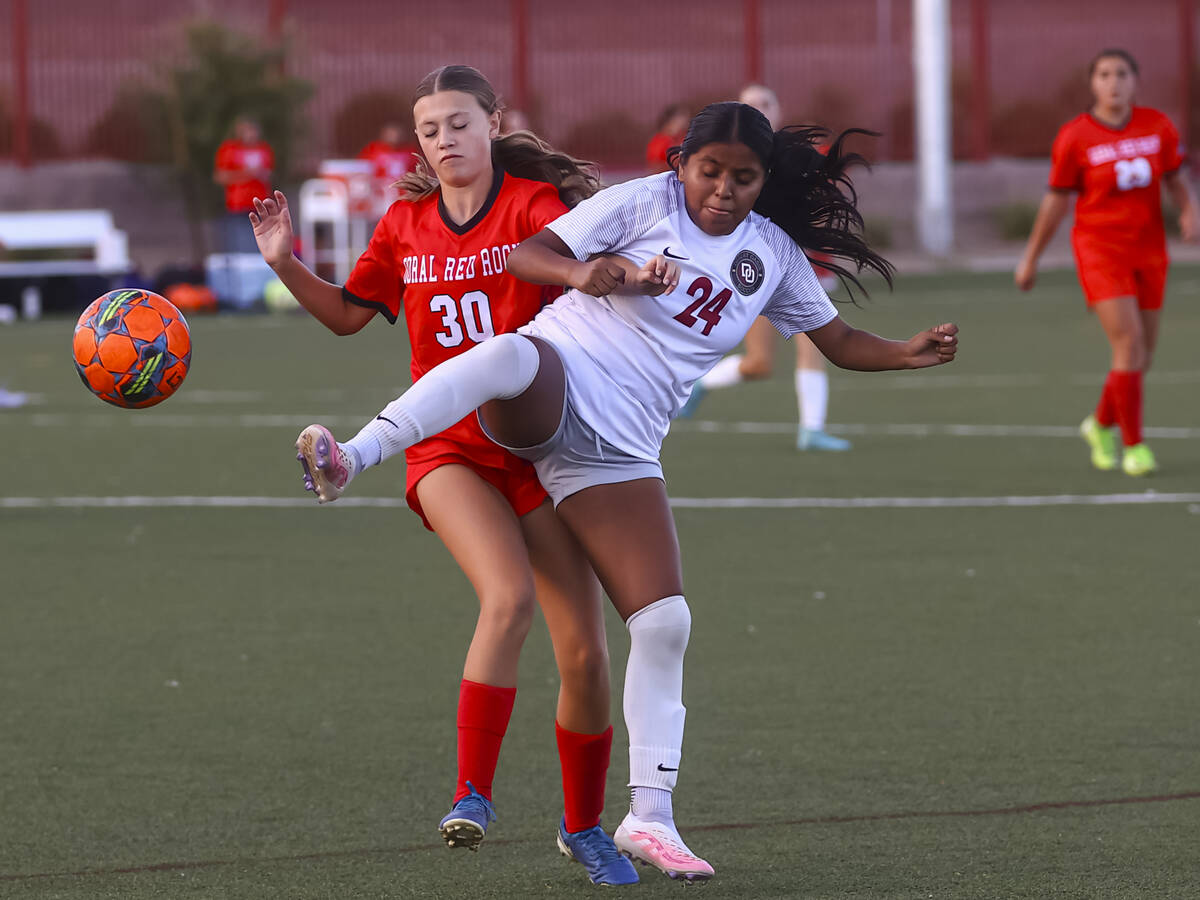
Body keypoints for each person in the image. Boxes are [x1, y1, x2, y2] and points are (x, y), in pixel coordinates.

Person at [297, 101, 959, 881]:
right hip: (554, 383)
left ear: (762, 180)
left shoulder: (772, 254)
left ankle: (649, 817)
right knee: (510, 352)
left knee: (666, 621)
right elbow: (528, 254)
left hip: (618, 450)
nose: (722, 188)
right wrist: (585, 272)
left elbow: (838, 342)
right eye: (709, 170)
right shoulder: (645, 200)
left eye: (742, 177)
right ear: (683, 164)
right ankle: (354, 455)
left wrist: (907, 354)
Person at [250, 65, 637, 886]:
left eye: (458, 123)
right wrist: (285, 262)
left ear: (493, 123)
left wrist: (640, 275)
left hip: (539, 450)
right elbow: (350, 316)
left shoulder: (537, 212)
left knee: (588, 655)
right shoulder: (403, 225)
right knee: (509, 598)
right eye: (429, 129)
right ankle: (472, 794)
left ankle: (584, 828)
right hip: (445, 449)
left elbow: (602, 283)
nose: (444, 140)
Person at [1016, 48, 1198, 476]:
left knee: (1142, 356)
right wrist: (1030, 259)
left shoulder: (1157, 126)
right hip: (1100, 250)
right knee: (1128, 345)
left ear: (1136, 80)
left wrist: (1189, 210)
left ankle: (1099, 425)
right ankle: (1134, 447)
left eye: (1122, 74)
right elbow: (1056, 203)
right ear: (1092, 83)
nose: (1113, 82)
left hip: (1149, 250)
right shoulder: (1075, 136)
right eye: (1104, 74)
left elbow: (1176, 176)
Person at [680, 83, 851, 451]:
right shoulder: (728, 163)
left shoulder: (803, 159)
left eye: (767, 103)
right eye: (752, 104)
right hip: (752, 272)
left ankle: (811, 429)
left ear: (779, 109)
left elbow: (825, 207)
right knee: (759, 364)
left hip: (803, 268)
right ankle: (701, 384)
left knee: (815, 345)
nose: (761, 108)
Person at [214, 117, 275, 254]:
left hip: (261, 205)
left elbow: (269, 172)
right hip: (239, 205)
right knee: (241, 247)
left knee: (261, 246)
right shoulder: (230, 149)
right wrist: (247, 174)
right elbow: (220, 176)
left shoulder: (264, 149)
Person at [645, 103, 690, 174]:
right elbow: (655, 166)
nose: (685, 123)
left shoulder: (684, 138)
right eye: (680, 120)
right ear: (670, 121)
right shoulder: (660, 141)